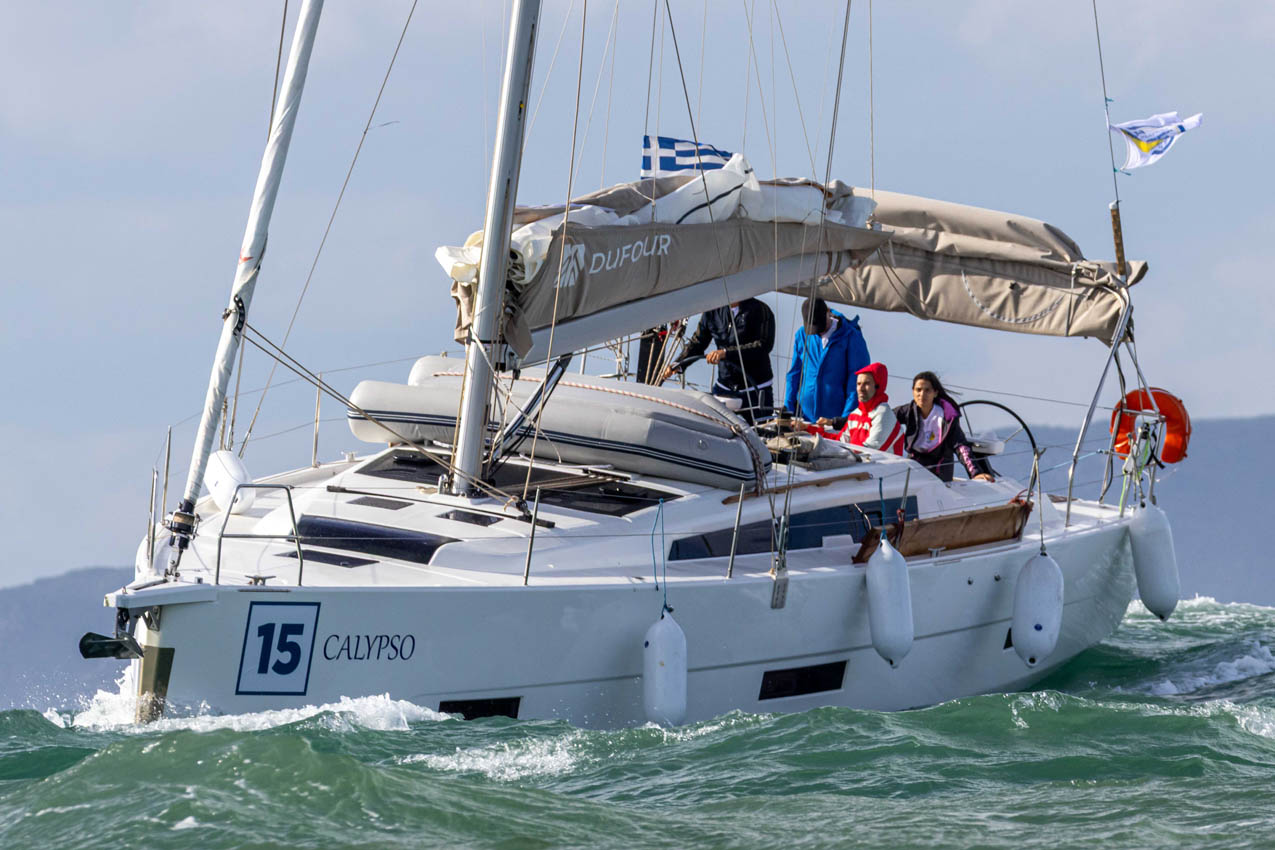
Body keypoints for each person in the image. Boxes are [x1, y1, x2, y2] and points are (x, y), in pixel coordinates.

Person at [662, 298, 775, 423]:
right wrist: (678, 364)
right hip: (724, 387)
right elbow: (698, 342)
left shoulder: (761, 310)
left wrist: (726, 353)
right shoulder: (712, 311)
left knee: (761, 431)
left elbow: (763, 346)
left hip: (756, 389)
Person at [894, 371, 994, 483]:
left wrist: (975, 473)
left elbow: (960, 446)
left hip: (940, 470)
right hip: (914, 468)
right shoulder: (907, 411)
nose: (922, 394)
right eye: (918, 390)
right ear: (913, 391)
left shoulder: (947, 416)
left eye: (927, 390)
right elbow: (885, 419)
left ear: (935, 393)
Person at [784, 297, 870, 425]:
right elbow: (794, 374)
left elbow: (856, 381)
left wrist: (844, 419)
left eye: (818, 326)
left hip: (834, 420)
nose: (817, 332)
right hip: (803, 419)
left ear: (828, 314)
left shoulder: (851, 336)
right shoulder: (802, 335)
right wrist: (788, 408)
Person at [839, 363, 904, 454]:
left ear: (878, 386)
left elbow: (870, 451)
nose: (861, 388)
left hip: (881, 463)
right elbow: (841, 444)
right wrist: (819, 432)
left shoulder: (884, 414)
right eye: (858, 384)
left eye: (866, 384)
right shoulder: (854, 415)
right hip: (858, 462)